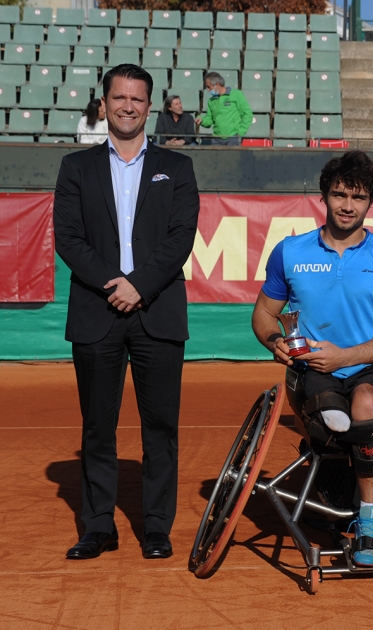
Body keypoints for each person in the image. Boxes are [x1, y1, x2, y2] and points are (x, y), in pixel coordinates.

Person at [53, 64, 200, 561]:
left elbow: (181, 238)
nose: (128, 106)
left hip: (157, 311)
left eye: (138, 99)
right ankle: (98, 526)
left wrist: (138, 286)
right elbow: (68, 239)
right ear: (104, 103)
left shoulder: (177, 168)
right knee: (98, 425)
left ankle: (156, 527)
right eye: (119, 98)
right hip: (97, 311)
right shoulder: (75, 167)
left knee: (160, 426)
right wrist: (113, 285)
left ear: (149, 106)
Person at [250, 150, 373, 568]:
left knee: (364, 404)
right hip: (311, 373)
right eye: (339, 195)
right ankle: (338, 481)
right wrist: (274, 340)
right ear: (323, 197)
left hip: (368, 369)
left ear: (371, 202)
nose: (347, 206)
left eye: (357, 198)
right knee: (330, 415)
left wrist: (345, 355)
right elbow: (263, 314)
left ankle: (368, 521)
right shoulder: (289, 251)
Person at [195, 72, 252, 146]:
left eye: (209, 87)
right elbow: (209, 120)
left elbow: (247, 114)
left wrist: (240, 132)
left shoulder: (236, 94)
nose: (208, 90)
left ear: (217, 84)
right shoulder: (211, 101)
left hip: (233, 138)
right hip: (216, 139)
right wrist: (202, 120)